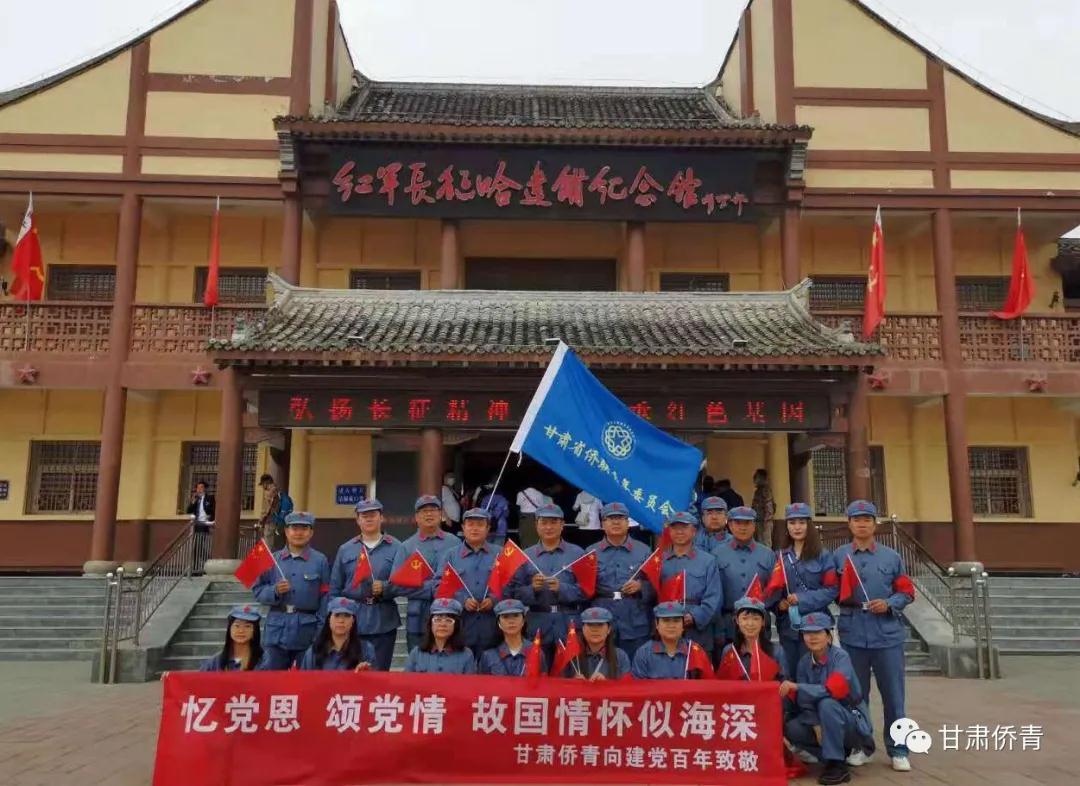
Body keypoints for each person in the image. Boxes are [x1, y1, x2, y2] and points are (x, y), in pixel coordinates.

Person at [832, 500, 915, 773]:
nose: (862, 524)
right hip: (853, 633)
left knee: (894, 696)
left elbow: (906, 591)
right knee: (857, 696)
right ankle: (861, 746)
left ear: (875, 524)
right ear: (849, 524)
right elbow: (830, 589)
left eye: (867, 519)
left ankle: (899, 749)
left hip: (887, 634)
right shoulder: (839, 556)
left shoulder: (891, 557)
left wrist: (890, 603)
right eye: (857, 519)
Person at [780, 612, 875, 786]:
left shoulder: (841, 657)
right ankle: (831, 754)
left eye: (818, 632)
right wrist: (815, 724)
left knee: (827, 704)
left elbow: (833, 690)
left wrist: (799, 687)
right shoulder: (804, 662)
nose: (812, 637)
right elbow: (804, 701)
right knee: (791, 727)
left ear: (828, 635)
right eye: (807, 633)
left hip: (850, 719)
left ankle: (837, 764)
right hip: (823, 719)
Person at [506, 503, 587, 663]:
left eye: (553, 522)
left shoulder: (578, 554)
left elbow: (587, 591)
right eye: (544, 522)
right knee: (539, 670)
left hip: (568, 625)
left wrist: (562, 589)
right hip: (537, 625)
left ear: (562, 525)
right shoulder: (525, 556)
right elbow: (514, 593)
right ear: (536, 525)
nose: (548, 527)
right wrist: (532, 589)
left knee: (570, 672)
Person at [329, 498, 403, 671]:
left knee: (380, 673)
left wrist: (385, 588)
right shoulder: (346, 549)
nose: (369, 519)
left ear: (381, 518)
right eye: (364, 515)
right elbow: (335, 588)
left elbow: (404, 584)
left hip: (384, 620)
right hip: (352, 619)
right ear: (358, 520)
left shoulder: (397, 547)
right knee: (351, 672)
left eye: (373, 515)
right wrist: (337, 618)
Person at [251, 511, 330, 669]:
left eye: (304, 528)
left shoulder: (320, 561)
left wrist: (321, 631)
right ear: (286, 531)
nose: (299, 533)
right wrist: (274, 591)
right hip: (276, 630)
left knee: (306, 678)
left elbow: (325, 597)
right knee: (271, 678)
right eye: (294, 528)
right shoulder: (272, 559)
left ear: (311, 532)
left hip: (307, 631)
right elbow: (257, 591)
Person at [389, 495, 462, 652]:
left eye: (433, 510)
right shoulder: (407, 547)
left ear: (441, 514)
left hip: (449, 617)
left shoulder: (455, 543)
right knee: (418, 662)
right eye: (424, 511)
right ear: (416, 517)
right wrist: (432, 589)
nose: (429, 514)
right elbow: (395, 585)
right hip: (418, 620)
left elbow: (462, 578)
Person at [774, 502, 839, 679]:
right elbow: (774, 589)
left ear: (809, 525)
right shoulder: (780, 556)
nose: (797, 527)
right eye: (792, 522)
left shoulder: (823, 555)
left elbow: (832, 589)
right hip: (788, 626)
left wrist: (801, 599)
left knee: (816, 675)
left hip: (816, 626)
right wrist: (779, 604)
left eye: (802, 522)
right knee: (790, 674)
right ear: (787, 526)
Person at [429, 508, 498, 660]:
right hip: (460, 628)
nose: (474, 528)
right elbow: (438, 587)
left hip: (492, 627)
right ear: (463, 528)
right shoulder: (450, 555)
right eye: (470, 524)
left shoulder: (500, 554)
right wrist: (462, 600)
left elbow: (511, 585)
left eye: (480, 525)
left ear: (488, 528)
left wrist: (494, 600)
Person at [593, 501, 655, 659]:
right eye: (610, 518)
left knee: (635, 667)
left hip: (634, 621)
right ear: (602, 524)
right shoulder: (590, 553)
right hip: (602, 620)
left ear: (628, 523)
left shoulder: (644, 551)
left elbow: (656, 585)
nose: (616, 522)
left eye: (620, 518)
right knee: (604, 667)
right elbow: (583, 588)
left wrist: (641, 586)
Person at [713, 505, 776, 655]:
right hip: (728, 623)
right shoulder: (717, 554)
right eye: (738, 523)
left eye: (747, 523)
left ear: (754, 526)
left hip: (758, 623)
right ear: (730, 525)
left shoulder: (767, 554)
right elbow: (713, 592)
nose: (742, 527)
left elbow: (774, 589)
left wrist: (759, 613)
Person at [660, 511, 722, 657]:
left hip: (698, 633)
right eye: (675, 528)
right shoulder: (659, 561)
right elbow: (653, 593)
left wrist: (694, 617)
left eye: (684, 527)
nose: (679, 532)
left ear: (694, 531)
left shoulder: (708, 561)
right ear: (669, 531)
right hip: (666, 629)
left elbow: (714, 598)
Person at [630, 602, 710, 679]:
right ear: (657, 624)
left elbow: (707, 684)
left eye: (676, 621)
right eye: (666, 620)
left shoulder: (694, 651)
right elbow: (639, 686)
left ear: (683, 625)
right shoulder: (643, 654)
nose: (671, 625)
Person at [715, 597, 784, 682]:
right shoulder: (729, 651)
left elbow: (784, 684)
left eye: (755, 619)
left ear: (763, 622)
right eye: (745, 618)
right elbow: (723, 684)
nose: (750, 624)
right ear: (737, 620)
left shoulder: (776, 651)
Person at [298, 597, 375, 671]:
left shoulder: (366, 650)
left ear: (353, 621)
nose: (341, 620)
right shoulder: (314, 651)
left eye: (347, 616)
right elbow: (304, 678)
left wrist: (366, 673)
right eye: (337, 615)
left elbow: (375, 677)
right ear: (329, 619)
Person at [403, 597, 477, 674]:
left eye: (449, 620)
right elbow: (406, 680)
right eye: (437, 620)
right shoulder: (416, 653)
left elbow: (470, 681)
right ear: (430, 624)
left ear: (456, 626)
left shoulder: (466, 655)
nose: (442, 624)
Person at [479, 598, 546, 676]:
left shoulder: (536, 652)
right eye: (505, 617)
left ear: (523, 620)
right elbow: (482, 682)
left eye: (516, 615)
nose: (511, 621)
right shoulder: (488, 656)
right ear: (498, 623)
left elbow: (543, 681)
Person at [563, 606, 630, 679]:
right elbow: (560, 683)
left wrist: (606, 683)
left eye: (600, 625)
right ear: (583, 629)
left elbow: (627, 685)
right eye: (590, 625)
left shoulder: (620, 657)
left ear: (609, 629)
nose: (595, 630)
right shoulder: (572, 656)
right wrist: (573, 683)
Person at [199, 604, 263, 672]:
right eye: (237, 626)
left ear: (255, 631)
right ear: (229, 629)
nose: (241, 631)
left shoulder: (264, 661)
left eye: (247, 626)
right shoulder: (214, 663)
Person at [186, 481, 215, 574]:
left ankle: (205, 564)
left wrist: (211, 518)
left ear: (205, 489)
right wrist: (193, 501)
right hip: (197, 524)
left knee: (200, 546)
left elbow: (213, 510)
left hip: (206, 524)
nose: (199, 489)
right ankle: (198, 567)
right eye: (198, 488)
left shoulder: (210, 498)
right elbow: (188, 510)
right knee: (197, 547)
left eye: (201, 487)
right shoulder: (196, 500)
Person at [258, 474, 294, 551]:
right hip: (279, 521)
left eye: (263, 484)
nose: (263, 487)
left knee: (268, 545)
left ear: (266, 483)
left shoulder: (269, 492)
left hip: (271, 521)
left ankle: (270, 558)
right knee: (277, 544)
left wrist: (261, 520)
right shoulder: (278, 490)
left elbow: (266, 509)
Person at [477, 482, 510, 546]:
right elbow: (506, 513)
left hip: (487, 526)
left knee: (487, 547)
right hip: (501, 528)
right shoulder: (503, 499)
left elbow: (481, 512)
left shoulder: (485, 499)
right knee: (498, 547)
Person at [751, 468, 776, 547]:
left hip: (764, 522)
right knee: (759, 544)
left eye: (756, 476)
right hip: (759, 521)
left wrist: (766, 522)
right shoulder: (758, 491)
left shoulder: (766, 490)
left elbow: (769, 508)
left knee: (765, 544)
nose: (754, 478)